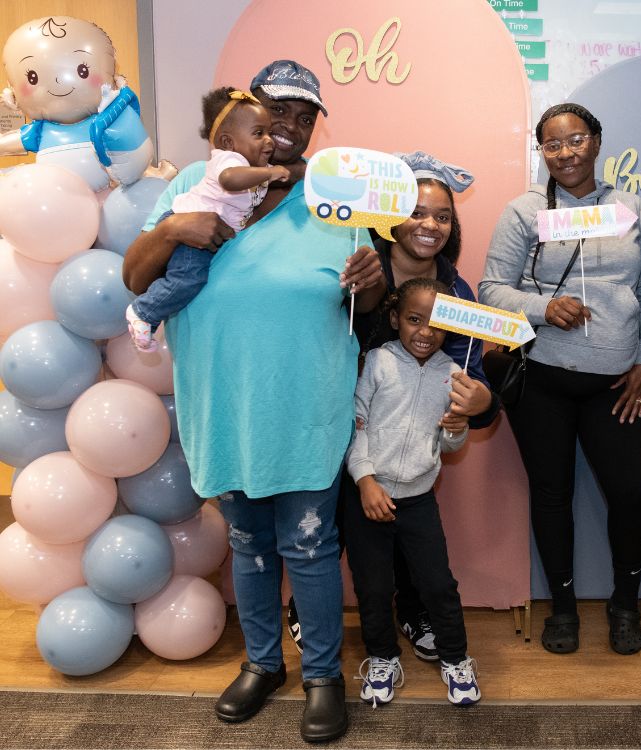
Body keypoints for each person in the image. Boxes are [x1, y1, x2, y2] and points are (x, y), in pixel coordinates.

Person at [122, 60, 385, 743]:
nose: (289, 130)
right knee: (249, 543)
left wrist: (375, 277)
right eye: (277, 114)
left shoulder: (334, 199)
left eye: (305, 118)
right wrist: (174, 230)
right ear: (244, 115)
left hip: (305, 406)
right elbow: (134, 273)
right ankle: (264, 663)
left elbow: (367, 302)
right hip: (224, 404)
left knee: (310, 546)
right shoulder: (191, 182)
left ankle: (322, 674)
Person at [285, 151, 497, 663]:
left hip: (405, 443)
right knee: (331, 526)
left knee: (408, 532)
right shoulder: (354, 262)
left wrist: (481, 402)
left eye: (443, 216)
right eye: (417, 211)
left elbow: (471, 378)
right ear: (390, 214)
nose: (429, 224)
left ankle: (412, 609)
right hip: (334, 422)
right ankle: (309, 609)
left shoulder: (457, 293)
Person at [479, 103, 641, 656]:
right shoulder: (523, 212)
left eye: (576, 139)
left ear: (598, 142)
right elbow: (490, 291)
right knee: (551, 495)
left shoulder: (631, 209)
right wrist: (542, 307)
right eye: (553, 144)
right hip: (543, 380)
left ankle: (624, 606)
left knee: (630, 497)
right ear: (542, 152)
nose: (566, 152)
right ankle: (562, 609)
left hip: (616, 384)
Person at [345, 277, 481, 707]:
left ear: (450, 328)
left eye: (436, 323)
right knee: (372, 588)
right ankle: (383, 658)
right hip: (368, 497)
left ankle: (456, 660)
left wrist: (457, 431)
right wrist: (366, 480)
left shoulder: (454, 377)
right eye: (414, 320)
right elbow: (355, 426)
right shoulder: (377, 363)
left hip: (419, 498)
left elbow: (448, 444)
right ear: (394, 319)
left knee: (437, 584)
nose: (425, 331)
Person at [125, 87, 290, 351]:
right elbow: (229, 180)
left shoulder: (252, 166)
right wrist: (270, 174)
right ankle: (143, 313)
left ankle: (150, 318)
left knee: (186, 278)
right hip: (189, 230)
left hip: (202, 235)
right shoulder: (229, 161)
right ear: (227, 142)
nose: (269, 140)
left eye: (269, 133)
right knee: (187, 279)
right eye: (259, 134)